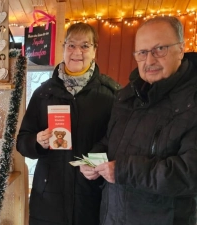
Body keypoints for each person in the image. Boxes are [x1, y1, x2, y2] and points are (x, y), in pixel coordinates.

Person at [80, 16, 197, 225]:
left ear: (181, 49)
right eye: (142, 53)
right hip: (113, 217)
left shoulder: (191, 100)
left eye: (160, 49)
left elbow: (189, 173)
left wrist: (125, 171)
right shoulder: (127, 96)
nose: (150, 61)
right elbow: (110, 142)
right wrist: (92, 160)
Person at [16, 22, 120, 225]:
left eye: (85, 46)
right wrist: (37, 141)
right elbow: (22, 141)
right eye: (71, 45)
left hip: (91, 197)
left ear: (94, 50)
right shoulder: (43, 93)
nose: (77, 52)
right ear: (63, 48)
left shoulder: (112, 94)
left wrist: (98, 160)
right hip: (49, 199)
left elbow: (119, 141)